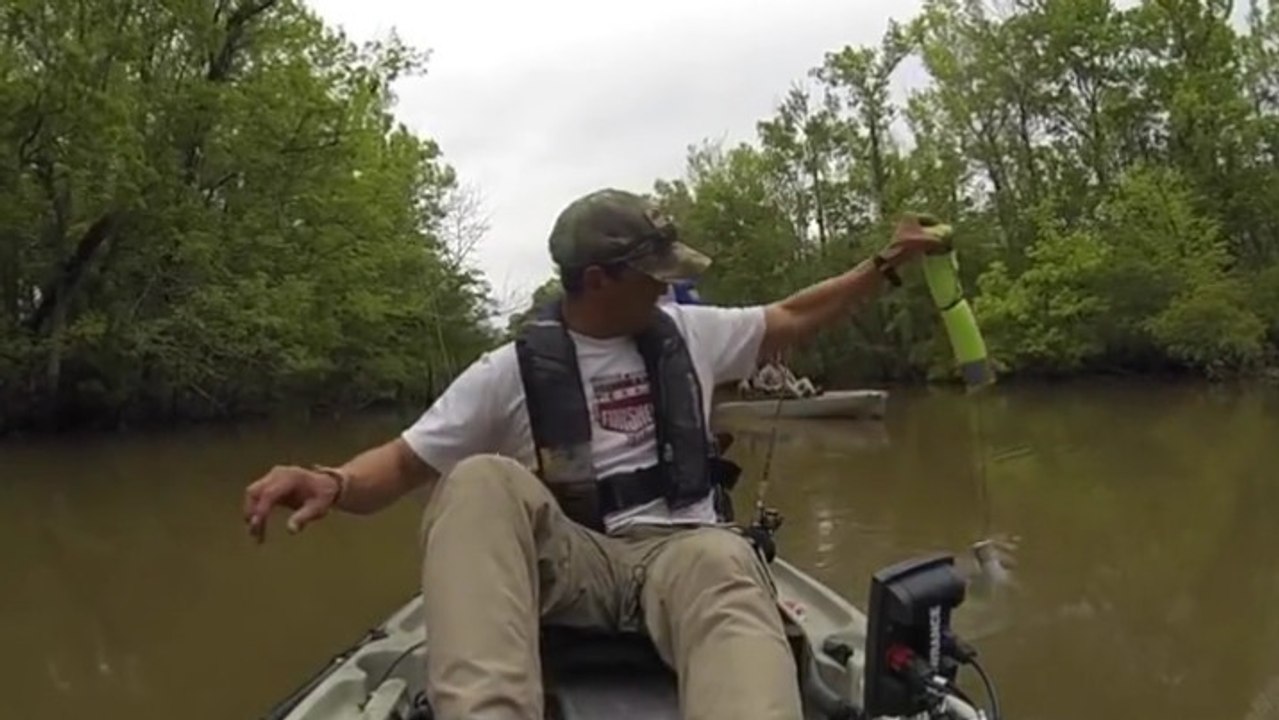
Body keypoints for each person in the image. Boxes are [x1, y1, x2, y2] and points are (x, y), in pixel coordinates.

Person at [242, 188, 947, 720]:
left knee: (723, 558)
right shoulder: (506, 372)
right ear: (598, 279)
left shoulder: (689, 333)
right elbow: (399, 465)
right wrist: (332, 481)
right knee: (478, 481)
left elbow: (793, 317)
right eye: (652, 271)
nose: (667, 283)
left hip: (684, 553)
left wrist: (885, 263)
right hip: (575, 562)